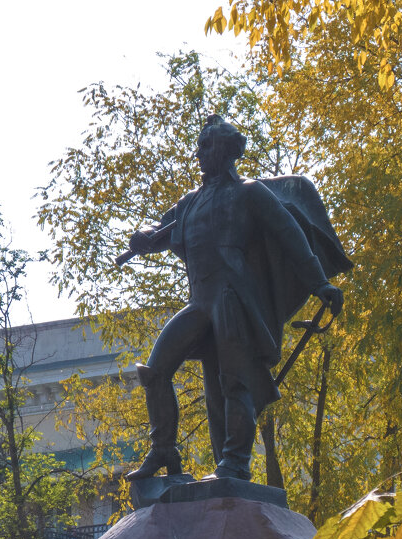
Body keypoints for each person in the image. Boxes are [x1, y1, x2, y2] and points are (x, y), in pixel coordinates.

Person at [124, 115, 348, 482]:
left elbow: (292, 236)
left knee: (235, 381)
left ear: (227, 150)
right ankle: (164, 449)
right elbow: (157, 232)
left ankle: (234, 463)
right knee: (156, 370)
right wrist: (142, 235)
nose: (198, 153)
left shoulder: (249, 193)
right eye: (198, 146)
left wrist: (319, 283)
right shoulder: (188, 203)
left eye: (206, 145)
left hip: (233, 301)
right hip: (200, 302)